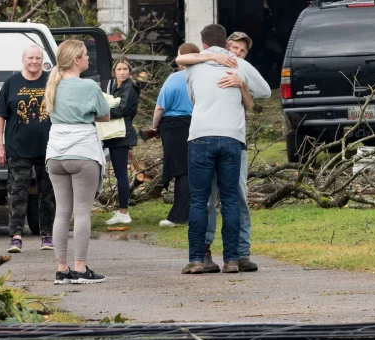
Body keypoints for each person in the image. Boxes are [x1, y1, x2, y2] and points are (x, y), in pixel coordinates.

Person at [181, 24, 270, 275]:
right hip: (231, 137)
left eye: (243, 50)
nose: (239, 53)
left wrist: (241, 85)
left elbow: (193, 97)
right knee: (230, 199)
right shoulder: (239, 65)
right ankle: (231, 259)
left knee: (200, 199)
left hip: (200, 137)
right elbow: (265, 90)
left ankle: (197, 259)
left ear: (205, 44)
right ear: (226, 45)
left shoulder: (194, 66)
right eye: (235, 48)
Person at [44, 40, 112, 285]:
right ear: (76, 60)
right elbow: (105, 114)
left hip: (55, 154)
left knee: (61, 212)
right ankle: (80, 268)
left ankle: (61, 269)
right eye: (85, 55)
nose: (88, 59)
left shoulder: (52, 84)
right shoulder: (89, 86)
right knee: (82, 212)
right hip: (82, 150)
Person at [0, 45, 55, 254]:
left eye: (38, 58)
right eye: (30, 58)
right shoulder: (11, 82)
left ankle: (47, 235)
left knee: (48, 194)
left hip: (49, 148)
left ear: (42, 60)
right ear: (23, 59)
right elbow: (0, 114)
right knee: (17, 194)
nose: (34, 62)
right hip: (18, 149)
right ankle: (16, 236)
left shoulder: (51, 80)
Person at [149, 43, 199, 228]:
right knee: (192, 168)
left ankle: (178, 216)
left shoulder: (175, 78)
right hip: (197, 124)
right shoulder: (202, 78)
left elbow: (160, 106)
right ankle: (193, 210)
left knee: (181, 170)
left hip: (174, 126)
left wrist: (154, 127)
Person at [103, 56, 139, 226]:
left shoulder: (129, 86)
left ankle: (123, 212)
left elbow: (123, 109)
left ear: (129, 71)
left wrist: (103, 113)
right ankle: (120, 210)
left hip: (123, 134)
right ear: (114, 71)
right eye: (119, 69)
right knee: (118, 174)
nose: (123, 72)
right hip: (115, 133)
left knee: (121, 175)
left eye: (125, 69)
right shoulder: (115, 86)